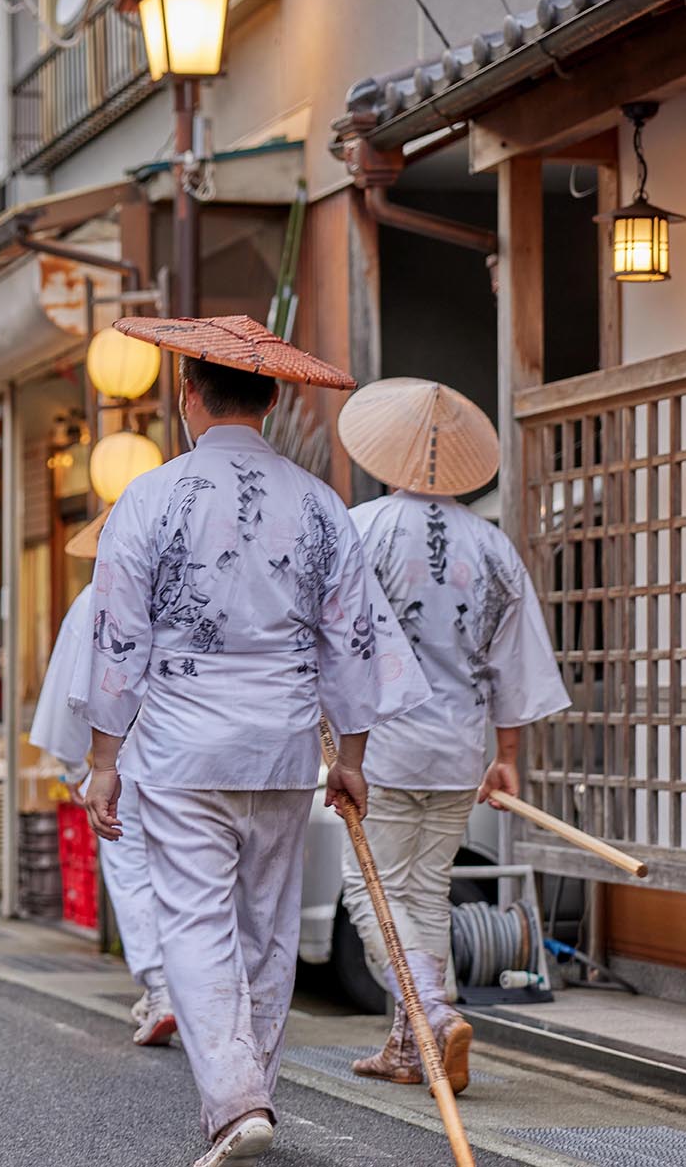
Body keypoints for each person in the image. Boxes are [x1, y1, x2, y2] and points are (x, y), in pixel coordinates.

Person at [79, 316, 430, 1167]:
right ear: (271, 400)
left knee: (195, 924)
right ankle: (251, 1093)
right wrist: (350, 759)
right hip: (279, 745)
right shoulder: (318, 504)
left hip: (179, 746)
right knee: (268, 930)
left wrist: (100, 761)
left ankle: (235, 1102)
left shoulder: (151, 497)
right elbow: (350, 639)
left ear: (186, 394)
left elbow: (118, 634)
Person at [337, 377, 571, 1094]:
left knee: (371, 888)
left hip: (377, 743)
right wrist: (505, 758)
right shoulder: (492, 545)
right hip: (459, 742)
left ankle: (432, 1013)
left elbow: (331, 639)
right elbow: (515, 660)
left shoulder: (359, 528)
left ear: (388, 451)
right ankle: (413, 1042)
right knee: (427, 892)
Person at [27, 510, 176, 1047]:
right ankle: (210, 996)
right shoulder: (186, 592)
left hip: (120, 757)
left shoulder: (94, 600)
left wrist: (75, 766)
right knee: (195, 874)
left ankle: (160, 987)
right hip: (187, 751)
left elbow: (76, 688)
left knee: (131, 866)